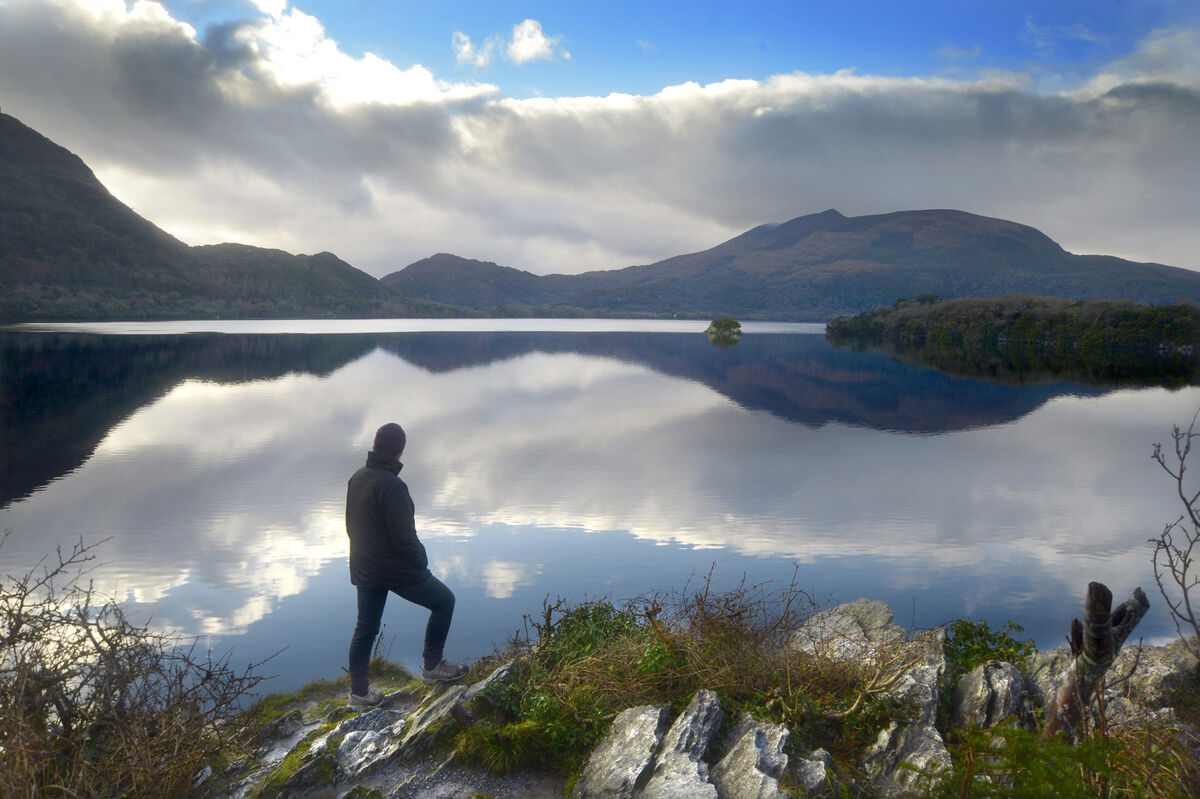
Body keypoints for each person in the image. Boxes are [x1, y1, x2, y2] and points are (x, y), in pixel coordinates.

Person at [345, 422, 468, 705]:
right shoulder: (393, 485)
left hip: (365, 565)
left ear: (375, 445)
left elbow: (351, 526)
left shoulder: (357, 477)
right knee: (444, 601)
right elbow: (404, 539)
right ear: (400, 452)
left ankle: (359, 694)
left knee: (365, 628)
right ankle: (432, 667)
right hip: (394, 568)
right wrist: (421, 560)